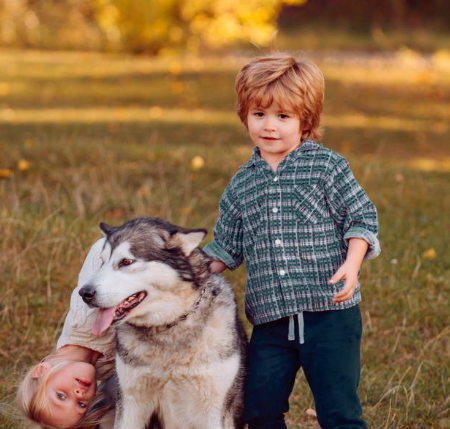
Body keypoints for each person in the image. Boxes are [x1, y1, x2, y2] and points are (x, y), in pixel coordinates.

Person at [203, 53, 380, 429]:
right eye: (259, 114)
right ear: (244, 115)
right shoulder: (242, 184)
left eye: (283, 116)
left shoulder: (327, 167)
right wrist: (186, 268)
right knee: (259, 410)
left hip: (330, 314)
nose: (269, 126)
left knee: (339, 413)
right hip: (270, 322)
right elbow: (226, 248)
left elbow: (362, 218)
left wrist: (352, 264)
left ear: (306, 120)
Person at [17, 239, 116, 429]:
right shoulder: (105, 372)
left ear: (42, 370)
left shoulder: (83, 320)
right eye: (81, 404)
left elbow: (103, 248)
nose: (79, 394)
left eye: (61, 396)